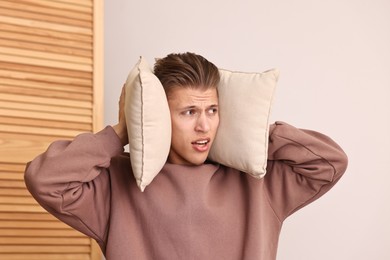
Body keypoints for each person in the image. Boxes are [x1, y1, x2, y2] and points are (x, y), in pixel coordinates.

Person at [24, 52, 348, 260]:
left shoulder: (258, 181)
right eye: (189, 111)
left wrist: (250, 130)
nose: (204, 125)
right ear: (161, 117)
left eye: (213, 110)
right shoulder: (116, 185)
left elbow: (330, 161)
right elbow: (45, 179)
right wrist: (123, 130)